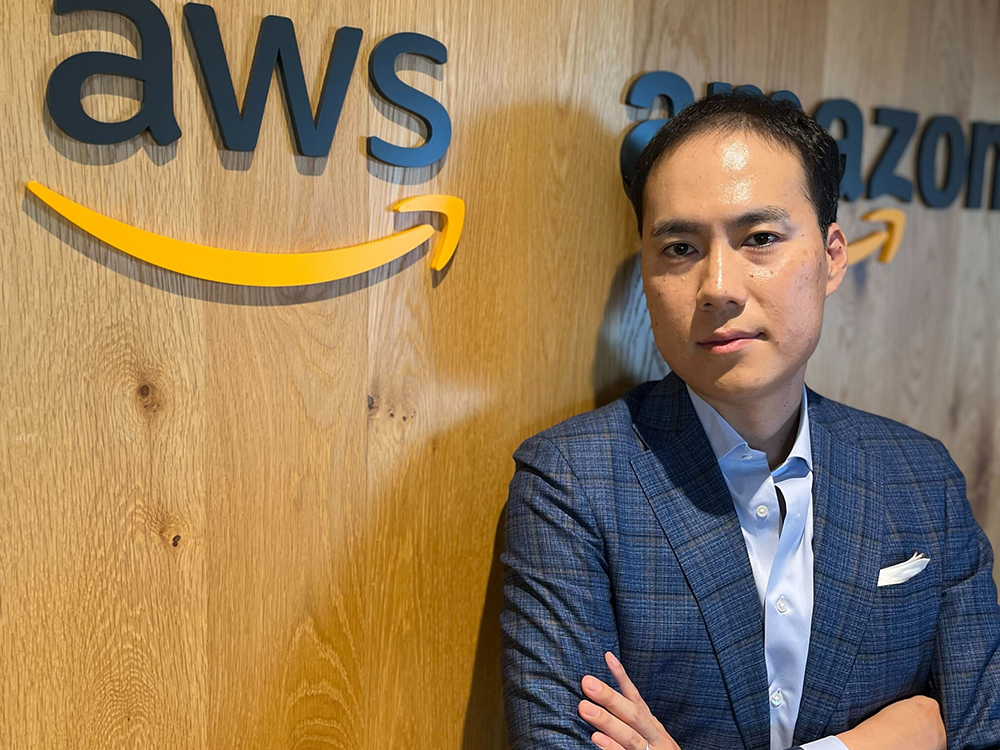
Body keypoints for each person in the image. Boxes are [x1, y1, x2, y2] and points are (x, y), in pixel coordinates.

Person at [499, 93, 1000, 750]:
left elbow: (981, 732)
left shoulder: (918, 473)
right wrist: (880, 742)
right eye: (679, 247)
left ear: (831, 256)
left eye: (760, 238)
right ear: (647, 274)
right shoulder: (572, 483)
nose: (718, 287)